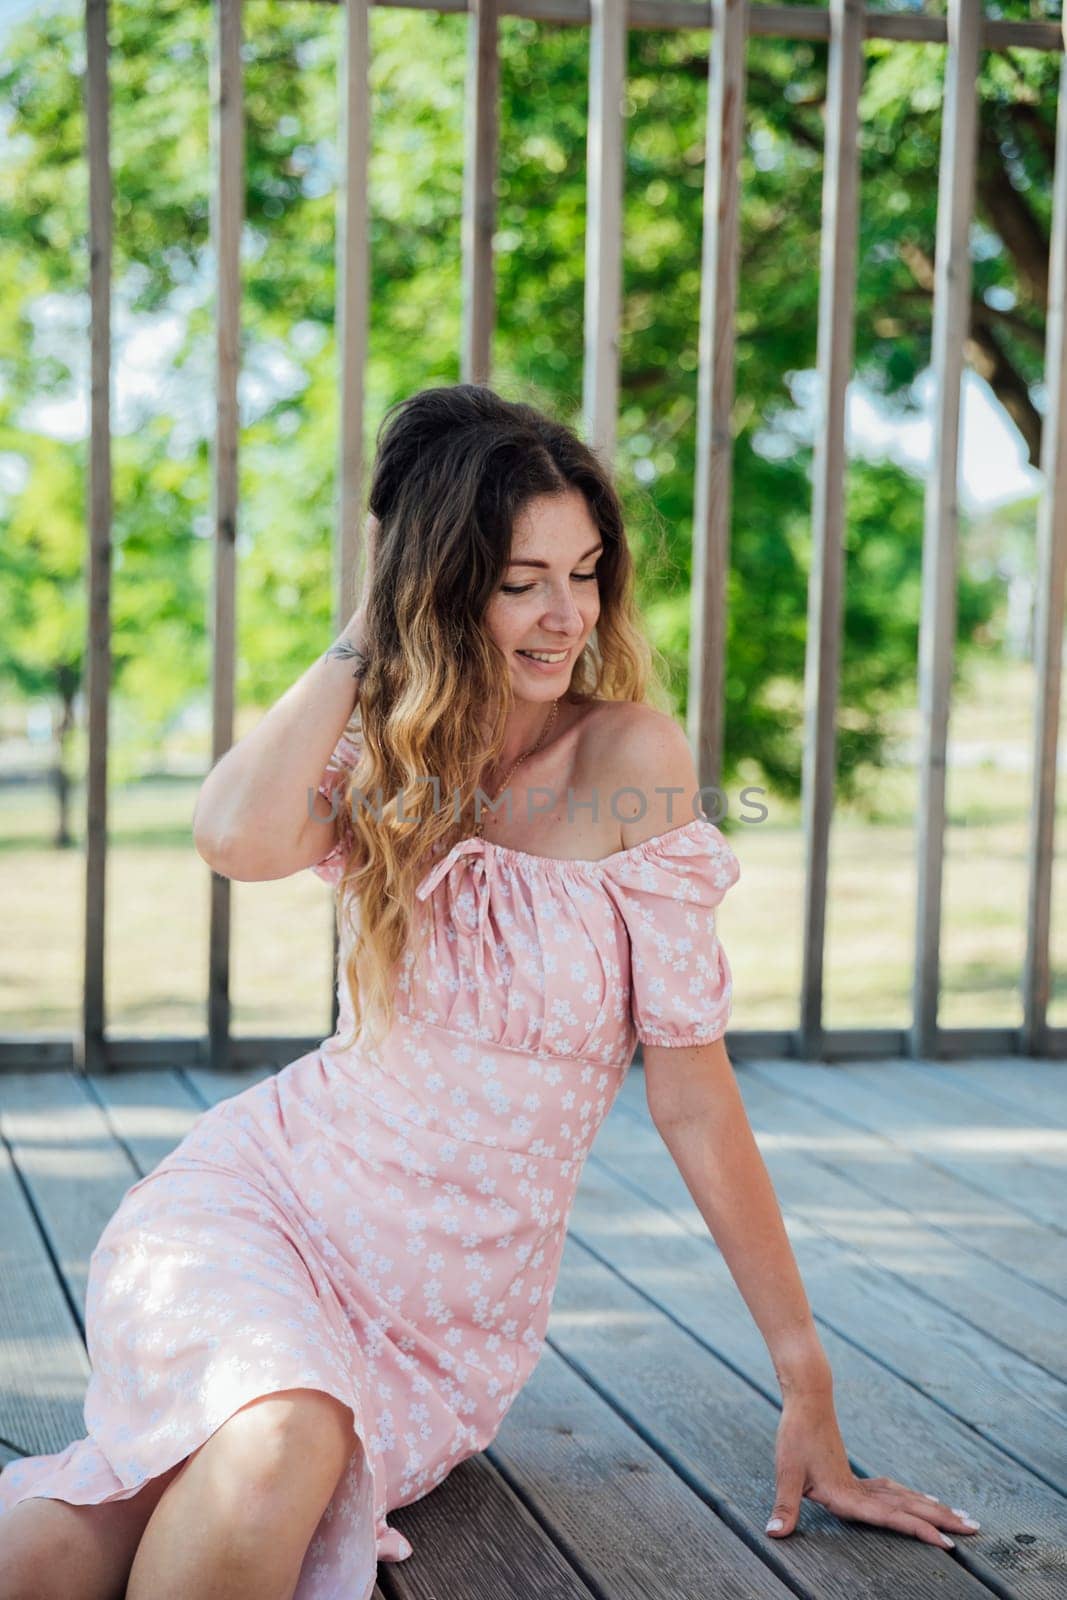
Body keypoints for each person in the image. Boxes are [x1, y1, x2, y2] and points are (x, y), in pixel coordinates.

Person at [0, 383, 979, 1600]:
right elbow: (233, 835)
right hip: (260, 1209)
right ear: (444, 584)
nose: (565, 613)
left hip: (438, 1321)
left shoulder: (627, 756)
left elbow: (689, 1088)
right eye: (520, 579)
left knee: (107, 1514)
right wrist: (368, 631)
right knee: (272, 1442)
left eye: (584, 571)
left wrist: (802, 1372)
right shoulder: (395, 749)